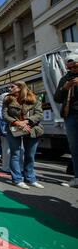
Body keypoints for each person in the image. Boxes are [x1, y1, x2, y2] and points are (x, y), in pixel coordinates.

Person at [3, 81, 44, 190]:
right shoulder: (7, 99)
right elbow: (5, 115)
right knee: (15, 154)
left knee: (30, 155)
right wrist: (18, 123)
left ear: (20, 87)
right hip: (14, 128)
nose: (10, 88)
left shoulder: (33, 98)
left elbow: (39, 114)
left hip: (32, 128)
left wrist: (26, 122)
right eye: (9, 87)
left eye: (12, 86)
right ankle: (17, 179)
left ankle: (30, 178)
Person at [54, 53, 78, 187]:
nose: (73, 70)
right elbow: (57, 98)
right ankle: (77, 177)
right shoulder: (65, 79)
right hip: (70, 115)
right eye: (70, 68)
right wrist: (65, 87)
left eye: (75, 67)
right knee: (74, 148)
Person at [0, 92, 11, 173]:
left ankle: (7, 166)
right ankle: (6, 167)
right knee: (6, 149)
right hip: (4, 131)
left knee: (7, 149)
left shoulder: (0, 106)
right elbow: (1, 118)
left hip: (5, 130)